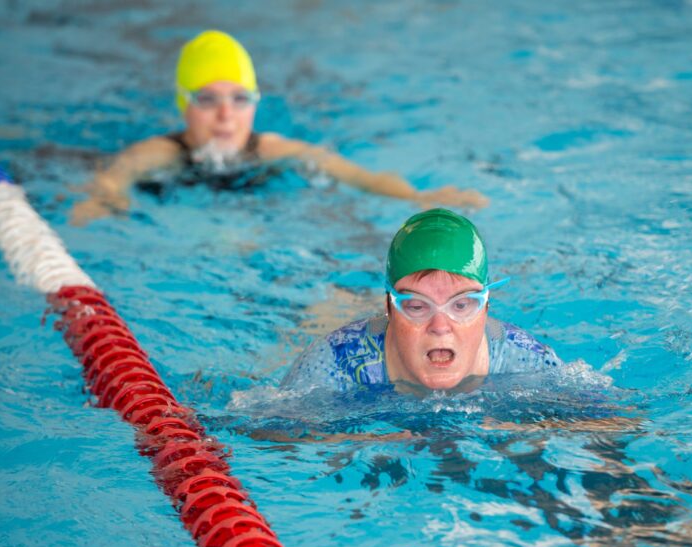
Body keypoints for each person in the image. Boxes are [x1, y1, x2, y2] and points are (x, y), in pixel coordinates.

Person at [71, 30, 488, 225]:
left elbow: (356, 175)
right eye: (207, 99)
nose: (225, 116)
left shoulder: (271, 148)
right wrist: (102, 200)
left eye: (239, 99)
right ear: (184, 105)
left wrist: (417, 196)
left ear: (255, 103)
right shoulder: (162, 153)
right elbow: (112, 178)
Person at [281, 208, 563, 394]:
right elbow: (263, 433)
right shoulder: (334, 363)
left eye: (461, 305)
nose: (440, 326)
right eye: (417, 306)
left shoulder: (526, 362)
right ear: (389, 308)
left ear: (486, 307)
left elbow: (602, 428)